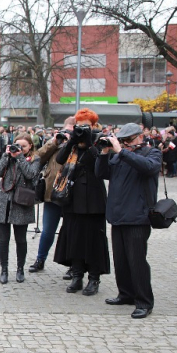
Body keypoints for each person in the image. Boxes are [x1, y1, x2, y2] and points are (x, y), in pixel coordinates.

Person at [95, 123, 161, 319]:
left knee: (137, 261)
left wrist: (121, 151)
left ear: (140, 137)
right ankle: (125, 294)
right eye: (122, 140)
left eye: (128, 140)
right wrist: (104, 153)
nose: (124, 144)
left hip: (137, 216)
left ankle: (144, 302)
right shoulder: (118, 155)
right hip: (117, 215)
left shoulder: (152, 153)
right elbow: (101, 174)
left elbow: (148, 168)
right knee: (121, 260)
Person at [52, 109, 110, 296]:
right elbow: (60, 159)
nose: (83, 128)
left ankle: (94, 278)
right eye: (79, 124)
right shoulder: (74, 140)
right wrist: (72, 142)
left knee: (94, 240)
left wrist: (90, 143)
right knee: (74, 238)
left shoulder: (101, 140)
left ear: (94, 125)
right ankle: (77, 275)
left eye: (86, 124)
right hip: (73, 197)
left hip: (93, 199)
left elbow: (100, 166)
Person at [0, 134, 39, 284]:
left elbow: (30, 175)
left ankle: (20, 269)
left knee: (20, 239)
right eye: (17, 145)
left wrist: (20, 157)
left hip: (21, 202)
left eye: (23, 146)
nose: (19, 148)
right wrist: (6, 155)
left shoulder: (35, 160)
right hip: (3, 201)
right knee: (3, 239)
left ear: (30, 146)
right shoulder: (9, 157)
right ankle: (4, 269)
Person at [28, 118, 71, 275]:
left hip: (72, 194)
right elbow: (37, 157)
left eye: (71, 132)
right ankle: (40, 259)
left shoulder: (79, 146)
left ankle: (73, 266)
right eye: (65, 131)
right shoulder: (55, 145)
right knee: (48, 231)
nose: (67, 135)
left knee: (70, 231)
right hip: (52, 194)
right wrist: (54, 142)